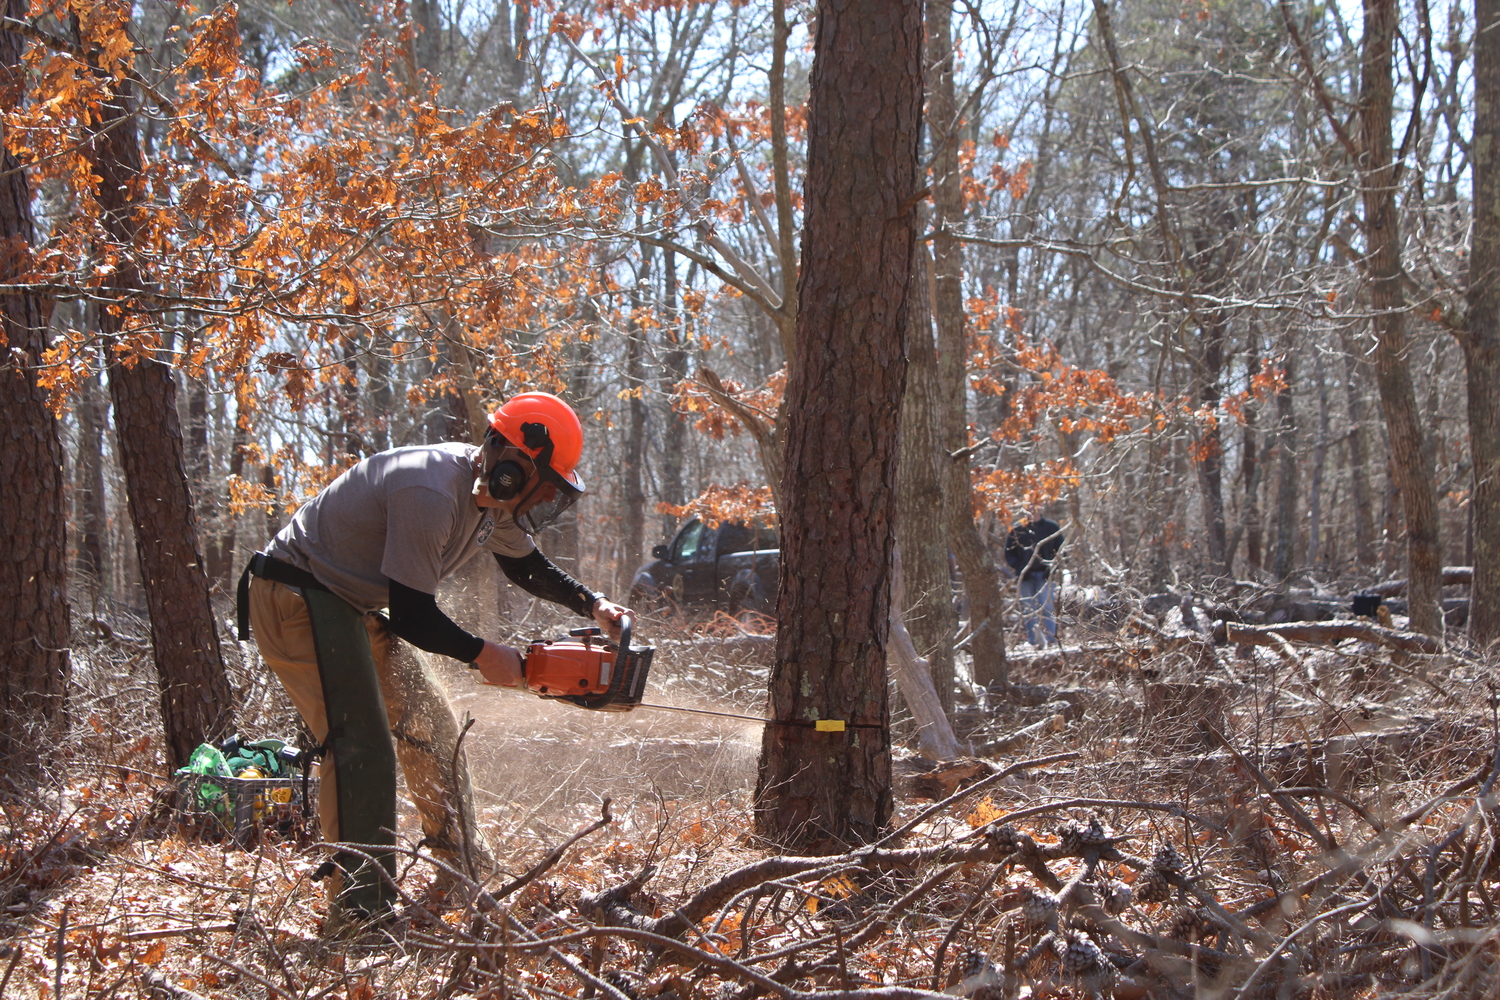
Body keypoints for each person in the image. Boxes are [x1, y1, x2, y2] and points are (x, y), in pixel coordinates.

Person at [236, 392, 630, 921]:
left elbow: (525, 567)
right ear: (514, 464)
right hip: (297, 594)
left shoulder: (492, 497)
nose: (541, 503)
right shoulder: (431, 491)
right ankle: (360, 911)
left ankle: (459, 865)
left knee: (430, 724)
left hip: (348, 602)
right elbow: (415, 615)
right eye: (543, 488)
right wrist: (483, 653)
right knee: (361, 743)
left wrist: (592, 604)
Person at [1005, 512, 1064, 647]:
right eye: (1029, 505)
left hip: (1045, 576)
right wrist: (1020, 567)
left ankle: (1052, 641)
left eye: (1035, 505)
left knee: (1047, 607)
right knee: (1028, 609)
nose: (1032, 509)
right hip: (1025, 577)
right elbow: (1009, 552)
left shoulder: (1051, 527)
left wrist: (1052, 567)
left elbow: (1061, 550)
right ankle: (1034, 642)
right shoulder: (1017, 528)